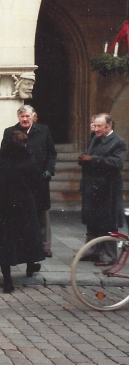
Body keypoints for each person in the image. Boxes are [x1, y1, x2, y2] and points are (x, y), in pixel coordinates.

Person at [0, 131, 45, 293]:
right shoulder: (29, 160)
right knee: (27, 236)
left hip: (1, 204)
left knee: (4, 241)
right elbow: (37, 182)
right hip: (23, 204)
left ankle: (7, 280)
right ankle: (30, 267)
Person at [1, 105, 56, 258]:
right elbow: (3, 154)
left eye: (27, 116)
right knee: (20, 212)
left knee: (42, 212)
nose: (25, 119)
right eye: (22, 116)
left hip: (40, 179)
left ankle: (45, 246)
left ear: (33, 116)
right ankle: (22, 244)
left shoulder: (43, 130)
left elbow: (52, 153)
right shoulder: (10, 132)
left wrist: (49, 170)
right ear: (18, 117)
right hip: (19, 181)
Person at [78, 113, 128, 265]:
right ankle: (92, 251)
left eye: (100, 126)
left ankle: (108, 256)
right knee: (92, 221)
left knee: (107, 222)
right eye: (95, 125)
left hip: (108, 189)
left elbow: (116, 163)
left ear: (109, 126)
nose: (96, 129)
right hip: (92, 187)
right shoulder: (95, 138)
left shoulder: (118, 142)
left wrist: (92, 159)